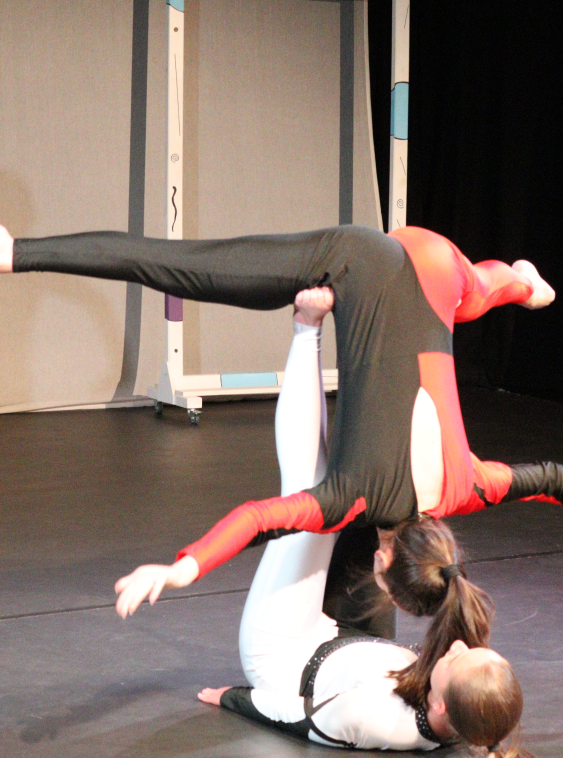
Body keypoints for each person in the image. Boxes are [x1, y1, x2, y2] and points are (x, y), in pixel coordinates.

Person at [0, 223, 563, 616]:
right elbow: (257, 518)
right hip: (361, 259)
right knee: (185, 270)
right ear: (383, 563)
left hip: (437, 268)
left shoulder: (470, 488)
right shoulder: (353, 496)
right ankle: (8, 250)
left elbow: (551, 479)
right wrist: (178, 569)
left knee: (477, 293)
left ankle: (520, 283)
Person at [196, 290, 530, 752]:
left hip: (283, 650)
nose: (459, 648)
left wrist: (232, 698)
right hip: (348, 639)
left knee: (311, 494)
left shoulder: (377, 720)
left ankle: (307, 327)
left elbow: (297, 716)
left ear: (439, 707)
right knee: (376, 505)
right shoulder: (464, 701)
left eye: (457, 660)